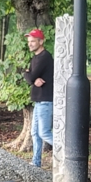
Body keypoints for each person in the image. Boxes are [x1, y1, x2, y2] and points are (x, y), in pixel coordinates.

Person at [23, 28, 54, 167]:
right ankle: (36, 163)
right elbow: (31, 77)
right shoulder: (35, 57)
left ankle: (66, 150)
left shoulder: (45, 57)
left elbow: (31, 76)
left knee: (44, 133)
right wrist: (30, 76)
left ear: (41, 41)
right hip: (38, 101)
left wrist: (29, 75)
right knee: (35, 133)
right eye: (28, 41)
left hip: (45, 101)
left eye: (33, 41)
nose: (29, 44)